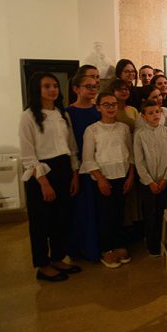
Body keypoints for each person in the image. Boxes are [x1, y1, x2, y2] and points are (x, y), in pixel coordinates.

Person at [19, 72, 81, 282]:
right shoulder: (28, 116)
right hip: (41, 172)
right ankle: (43, 264)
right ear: (37, 89)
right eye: (47, 86)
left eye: (55, 85)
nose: (52, 89)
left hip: (64, 168)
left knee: (61, 218)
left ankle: (57, 258)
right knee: (41, 222)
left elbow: (71, 147)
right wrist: (44, 182)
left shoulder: (62, 114)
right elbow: (27, 154)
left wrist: (74, 174)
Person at [80, 92, 135, 268]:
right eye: (106, 104)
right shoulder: (92, 130)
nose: (111, 108)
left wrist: (130, 176)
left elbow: (130, 153)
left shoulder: (123, 128)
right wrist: (100, 179)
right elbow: (88, 158)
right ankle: (107, 249)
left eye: (114, 104)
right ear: (98, 107)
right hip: (103, 178)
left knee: (119, 214)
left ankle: (119, 244)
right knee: (105, 215)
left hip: (122, 176)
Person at [65, 70, 101, 262]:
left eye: (95, 86)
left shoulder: (98, 110)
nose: (93, 89)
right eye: (88, 86)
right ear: (76, 89)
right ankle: (79, 248)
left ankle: (96, 247)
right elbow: (69, 144)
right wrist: (75, 171)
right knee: (80, 210)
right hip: (79, 166)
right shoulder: (68, 113)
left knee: (97, 209)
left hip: (100, 166)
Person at [134, 100, 167, 256]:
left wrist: (165, 178)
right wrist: (150, 181)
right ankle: (152, 244)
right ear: (143, 116)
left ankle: (163, 240)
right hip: (148, 182)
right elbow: (139, 161)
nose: (155, 115)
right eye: (150, 113)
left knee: (162, 212)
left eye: (157, 112)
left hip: (164, 180)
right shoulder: (139, 134)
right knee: (150, 213)